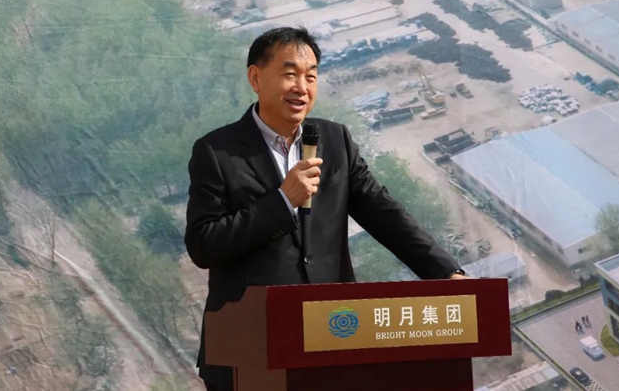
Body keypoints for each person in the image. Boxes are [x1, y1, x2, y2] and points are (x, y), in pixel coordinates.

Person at [184, 27, 467, 391]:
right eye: (290, 74)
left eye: (311, 76)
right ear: (255, 77)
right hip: (250, 348)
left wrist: (445, 273)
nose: (302, 87)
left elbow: (384, 213)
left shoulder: (335, 140)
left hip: (330, 334)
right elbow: (203, 245)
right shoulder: (216, 152)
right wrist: (282, 201)